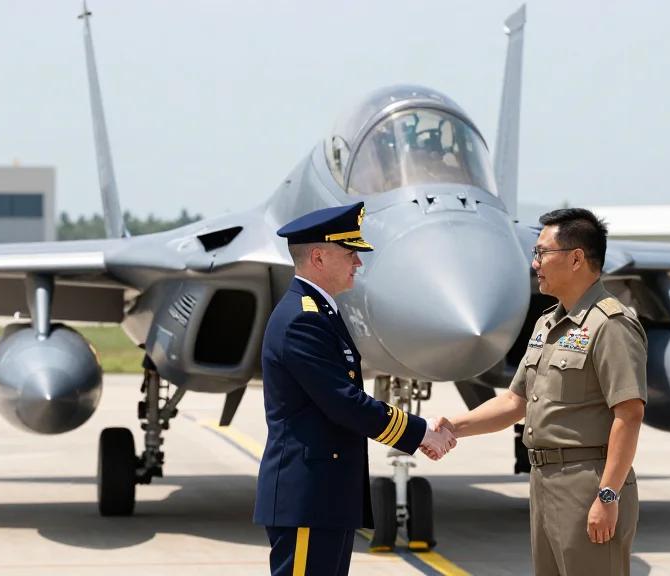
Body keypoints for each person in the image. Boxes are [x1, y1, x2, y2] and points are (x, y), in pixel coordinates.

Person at [432, 208, 647, 576]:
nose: (535, 264)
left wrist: (607, 495)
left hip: (588, 483)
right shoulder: (547, 324)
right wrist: (452, 425)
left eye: (542, 253)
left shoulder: (610, 325)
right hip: (545, 483)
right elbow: (515, 402)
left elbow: (629, 415)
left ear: (576, 258)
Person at [253, 201, 456, 576]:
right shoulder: (303, 320)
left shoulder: (320, 313)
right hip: (308, 499)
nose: (358, 264)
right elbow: (344, 403)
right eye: (350, 254)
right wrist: (421, 431)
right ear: (318, 257)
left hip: (325, 498)